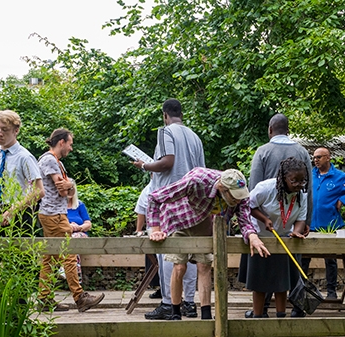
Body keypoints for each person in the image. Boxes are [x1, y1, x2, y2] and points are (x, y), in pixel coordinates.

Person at [146, 168, 270, 321]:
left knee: (204, 266)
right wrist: (156, 230)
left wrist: (252, 236)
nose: (238, 200)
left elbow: (244, 220)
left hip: (206, 226)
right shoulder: (196, 181)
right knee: (179, 266)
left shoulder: (240, 193)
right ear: (221, 188)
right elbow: (154, 198)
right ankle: (175, 312)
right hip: (179, 220)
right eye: (234, 197)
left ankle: (206, 315)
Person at [131, 98, 204, 320]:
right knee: (189, 252)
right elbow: (200, 171)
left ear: (165, 115)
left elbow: (167, 162)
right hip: (192, 202)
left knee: (167, 254)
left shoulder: (165, 132)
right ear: (181, 114)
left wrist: (144, 165)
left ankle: (167, 303)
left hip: (169, 200)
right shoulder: (195, 137)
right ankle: (189, 303)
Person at [243, 113, 314, 317]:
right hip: (265, 225)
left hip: (287, 226)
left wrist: (300, 227)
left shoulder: (263, 151)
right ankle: (260, 312)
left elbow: (305, 192)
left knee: (284, 273)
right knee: (263, 273)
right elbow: (252, 197)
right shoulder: (302, 151)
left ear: (270, 130)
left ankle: (274, 311)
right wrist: (308, 224)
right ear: (288, 130)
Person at [34, 128, 104, 312]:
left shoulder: (55, 161)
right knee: (70, 254)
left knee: (50, 258)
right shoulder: (49, 160)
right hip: (54, 215)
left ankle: (44, 298)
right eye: (70, 144)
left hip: (52, 214)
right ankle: (80, 298)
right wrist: (69, 185)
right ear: (61, 142)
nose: (71, 148)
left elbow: (68, 188)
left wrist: (69, 185)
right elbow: (63, 191)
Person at [245, 157, 308, 318]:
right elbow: (247, 205)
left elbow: (301, 218)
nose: (299, 185)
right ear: (284, 178)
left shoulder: (301, 195)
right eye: (294, 181)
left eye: (302, 181)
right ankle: (258, 316)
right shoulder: (265, 188)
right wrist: (264, 219)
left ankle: (281, 317)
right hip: (260, 238)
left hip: (283, 240)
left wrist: (297, 232)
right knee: (260, 282)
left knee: (282, 281)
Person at [307, 147, 345, 299]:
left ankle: (331, 292)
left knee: (330, 260)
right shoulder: (310, 175)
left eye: (319, 157)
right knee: (304, 258)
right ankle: (301, 289)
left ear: (328, 158)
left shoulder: (339, 177)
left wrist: (343, 200)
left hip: (329, 226)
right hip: (309, 224)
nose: (316, 160)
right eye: (314, 157)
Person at [0, 110, 43, 235]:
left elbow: (39, 191)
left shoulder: (24, 157)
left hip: (19, 213)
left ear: (16, 130)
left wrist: (13, 211)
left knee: (18, 252)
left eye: (5, 129)